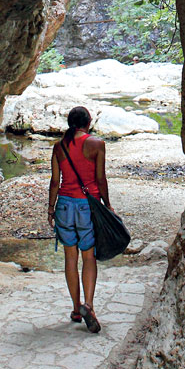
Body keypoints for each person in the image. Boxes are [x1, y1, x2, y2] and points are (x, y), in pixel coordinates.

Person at [48, 105, 111, 333]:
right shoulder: (97, 144)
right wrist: (107, 203)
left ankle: (76, 308)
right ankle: (89, 306)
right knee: (89, 256)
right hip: (87, 206)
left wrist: (50, 208)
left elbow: (55, 181)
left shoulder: (59, 147)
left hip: (64, 205)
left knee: (70, 257)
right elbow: (100, 178)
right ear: (88, 122)